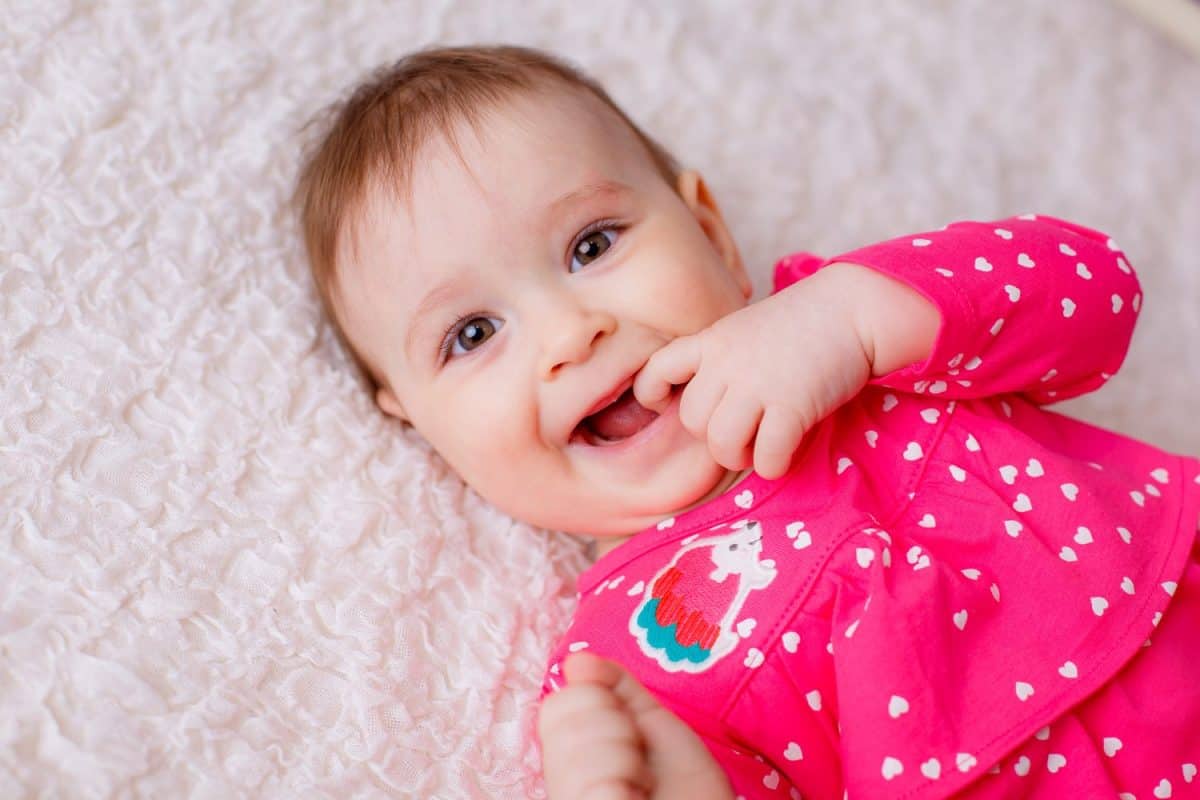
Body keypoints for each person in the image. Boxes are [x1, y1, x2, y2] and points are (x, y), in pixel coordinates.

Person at [295, 43, 1200, 799]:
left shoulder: (853, 333)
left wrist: (853, 319)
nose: (571, 334)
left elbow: (1097, 293)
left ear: (714, 238)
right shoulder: (622, 655)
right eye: (473, 334)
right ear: (419, 429)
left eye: (592, 245)